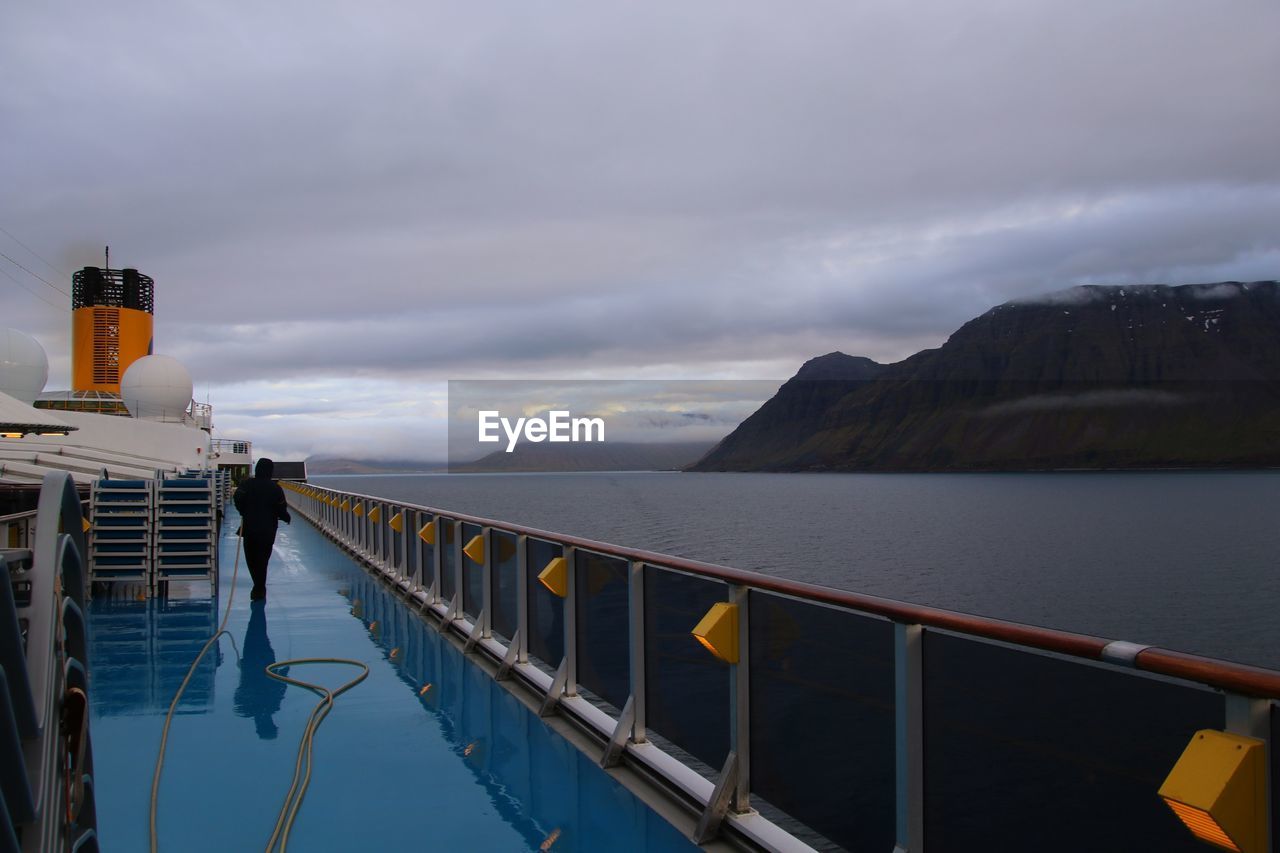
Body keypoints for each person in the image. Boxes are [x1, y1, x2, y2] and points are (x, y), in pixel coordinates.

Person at [233, 457, 291, 600]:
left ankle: (257, 586)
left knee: (251, 559)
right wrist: (286, 517)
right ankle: (260, 587)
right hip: (268, 531)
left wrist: (243, 511)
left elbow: (237, 499)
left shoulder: (246, 485)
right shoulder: (276, 488)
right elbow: (281, 508)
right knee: (263, 559)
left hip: (249, 529)